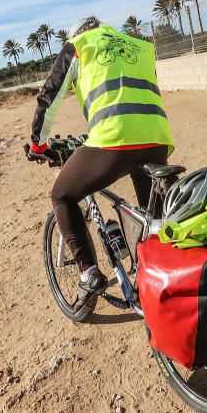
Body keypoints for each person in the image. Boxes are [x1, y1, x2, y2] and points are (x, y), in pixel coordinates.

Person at [26, 16, 174, 311]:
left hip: (113, 140)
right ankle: (153, 270)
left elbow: (49, 96)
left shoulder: (79, 45)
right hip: (158, 139)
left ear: (76, 34)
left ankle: (89, 273)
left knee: (62, 195)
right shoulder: (139, 43)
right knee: (154, 219)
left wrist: (38, 145)